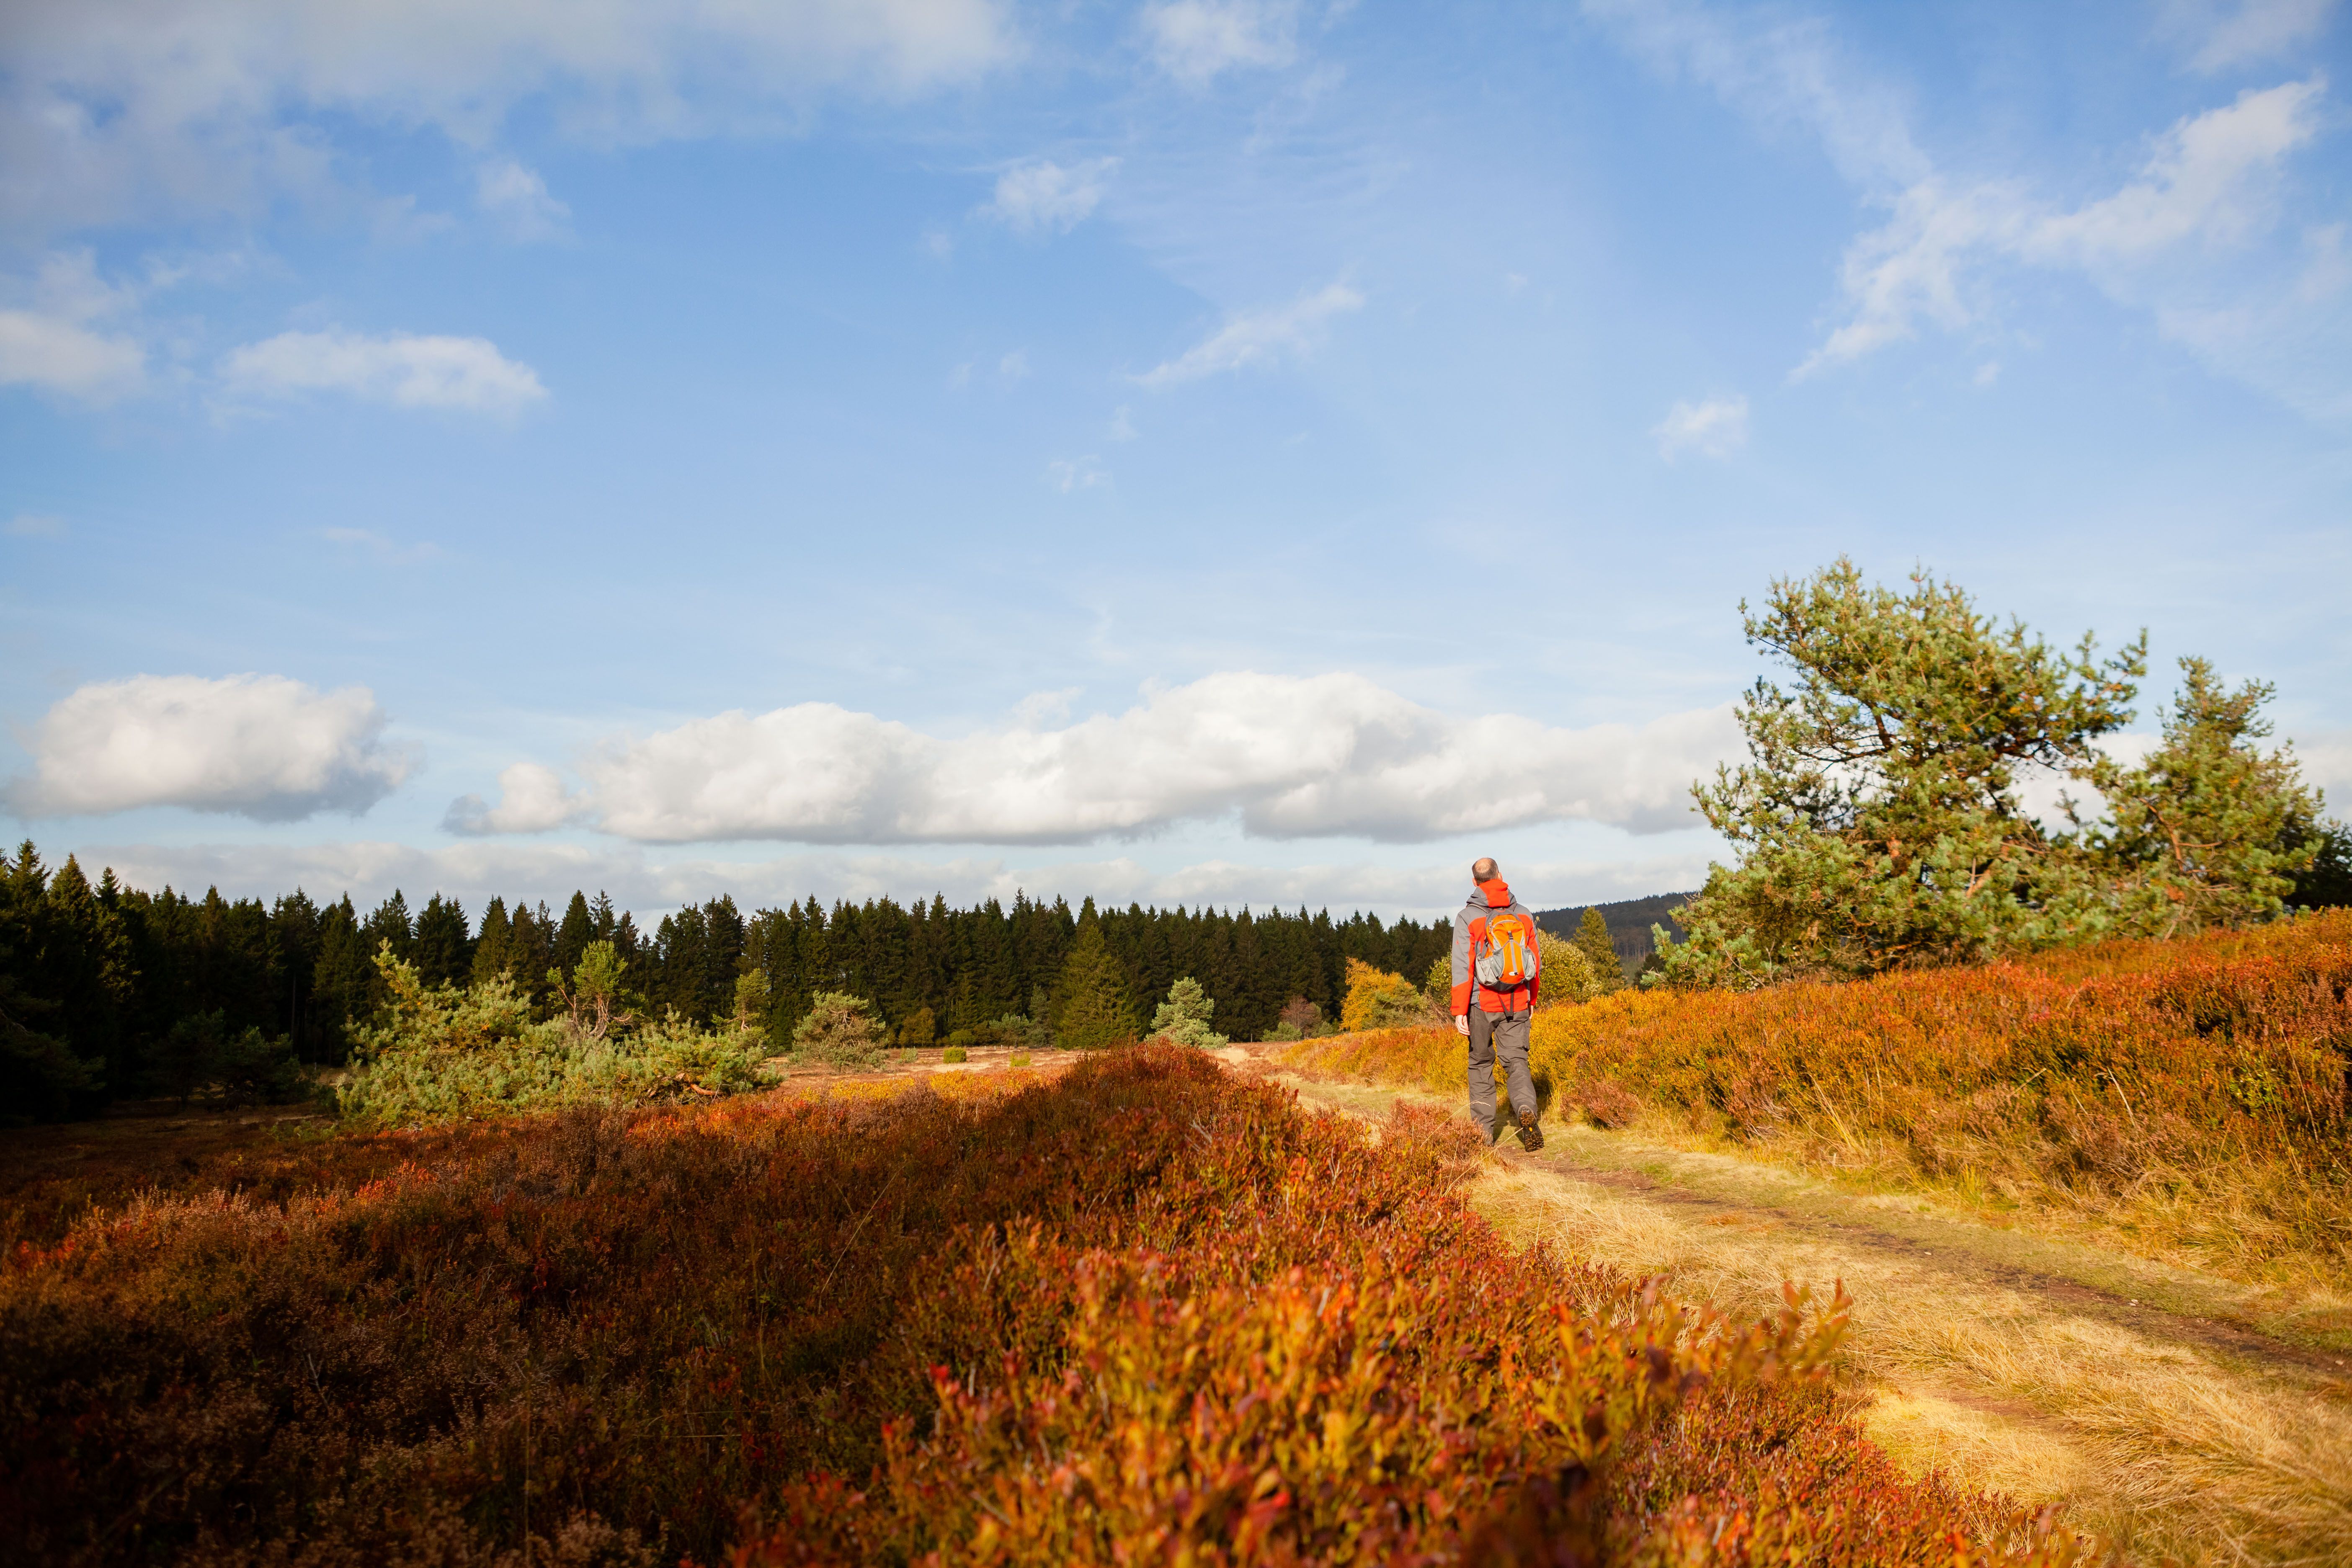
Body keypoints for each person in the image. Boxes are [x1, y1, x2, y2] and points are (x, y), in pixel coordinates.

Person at [1450, 857, 1545, 1150]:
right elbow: (1535, 963)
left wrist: (1459, 1010)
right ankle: (1526, 1110)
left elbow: (1462, 967)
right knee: (1516, 1061)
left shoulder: (1468, 918)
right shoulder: (1524, 914)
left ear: (1474, 883)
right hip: (1518, 1000)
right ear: (1501, 876)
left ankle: (1483, 1136)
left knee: (1480, 1065)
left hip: (1481, 1004)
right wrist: (1532, 997)